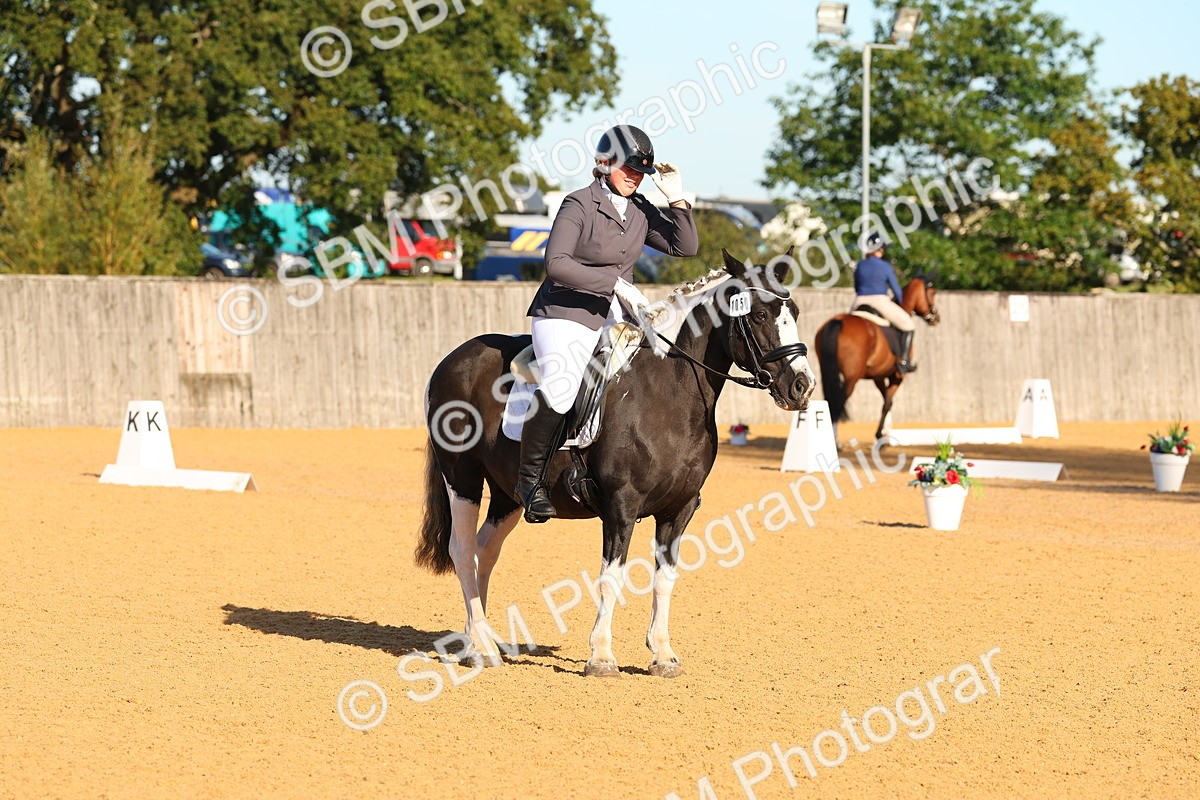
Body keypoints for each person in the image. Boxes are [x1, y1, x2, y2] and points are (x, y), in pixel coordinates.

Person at [515, 124, 699, 523]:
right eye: (628, 168)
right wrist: (614, 283)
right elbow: (556, 264)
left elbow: (684, 247)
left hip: (616, 316)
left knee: (651, 373)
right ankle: (529, 482)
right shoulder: (578, 204)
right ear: (604, 164)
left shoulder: (640, 209)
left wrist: (677, 198)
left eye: (640, 171)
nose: (635, 177)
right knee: (563, 389)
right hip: (566, 312)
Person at [852, 232, 916, 373]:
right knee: (909, 325)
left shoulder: (860, 265)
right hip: (879, 300)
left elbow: (856, 287)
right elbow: (896, 290)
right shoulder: (885, 266)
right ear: (881, 249)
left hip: (859, 301)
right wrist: (901, 303)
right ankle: (904, 361)